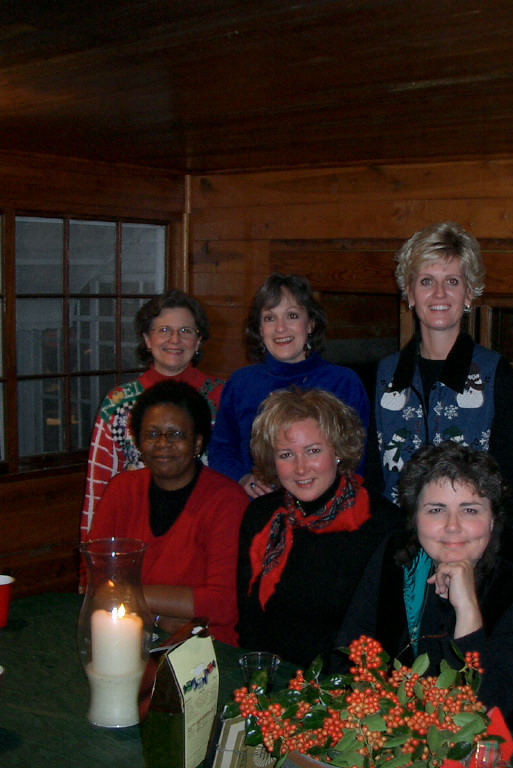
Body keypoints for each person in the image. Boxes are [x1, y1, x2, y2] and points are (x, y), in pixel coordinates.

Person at [339, 442, 513, 747]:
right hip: (420, 735)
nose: (453, 527)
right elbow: (351, 650)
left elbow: (482, 709)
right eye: (436, 510)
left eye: (470, 510)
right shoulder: (396, 555)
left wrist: (467, 610)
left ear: (493, 518)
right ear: (414, 517)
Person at [366, 222, 513, 532]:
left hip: (468, 543)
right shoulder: (385, 374)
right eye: (426, 281)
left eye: (452, 281)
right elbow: (373, 479)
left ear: (468, 293)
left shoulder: (493, 372)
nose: (439, 293)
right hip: (398, 543)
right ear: (410, 293)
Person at [236, 388, 393, 667]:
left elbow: (385, 635)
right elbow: (250, 621)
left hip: (347, 683)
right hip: (270, 675)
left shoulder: (381, 524)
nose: (300, 468)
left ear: (338, 451)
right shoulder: (261, 516)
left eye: (313, 451)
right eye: (286, 454)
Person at [88, 380, 246, 645]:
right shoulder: (121, 489)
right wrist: (157, 617)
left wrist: (127, 595)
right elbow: (94, 580)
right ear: (138, 441)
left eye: (176, 434)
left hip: (206, 646)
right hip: (127, 635)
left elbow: (223, 603)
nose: (162, 444)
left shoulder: (227, 501)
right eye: (152, 434)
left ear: (198, 442)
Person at [208, 273, 370, 498]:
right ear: (260, 329)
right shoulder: (241, 383)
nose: (280, 328)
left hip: (328, 504)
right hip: (258, 504)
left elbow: (358, 460)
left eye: (292, 315)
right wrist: (242, 478)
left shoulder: (343, 382)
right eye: (269, 318)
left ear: (310, 324)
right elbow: (222, 449)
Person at [82, 290, 225, 537]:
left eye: (185, 331)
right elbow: (98, 487)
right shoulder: (118, 403)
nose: (174, 340)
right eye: (164, 330)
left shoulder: (222, 397)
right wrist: (94, 550)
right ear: (147, 339)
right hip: (135, 527)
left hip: (208, 524)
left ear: (198, 341)